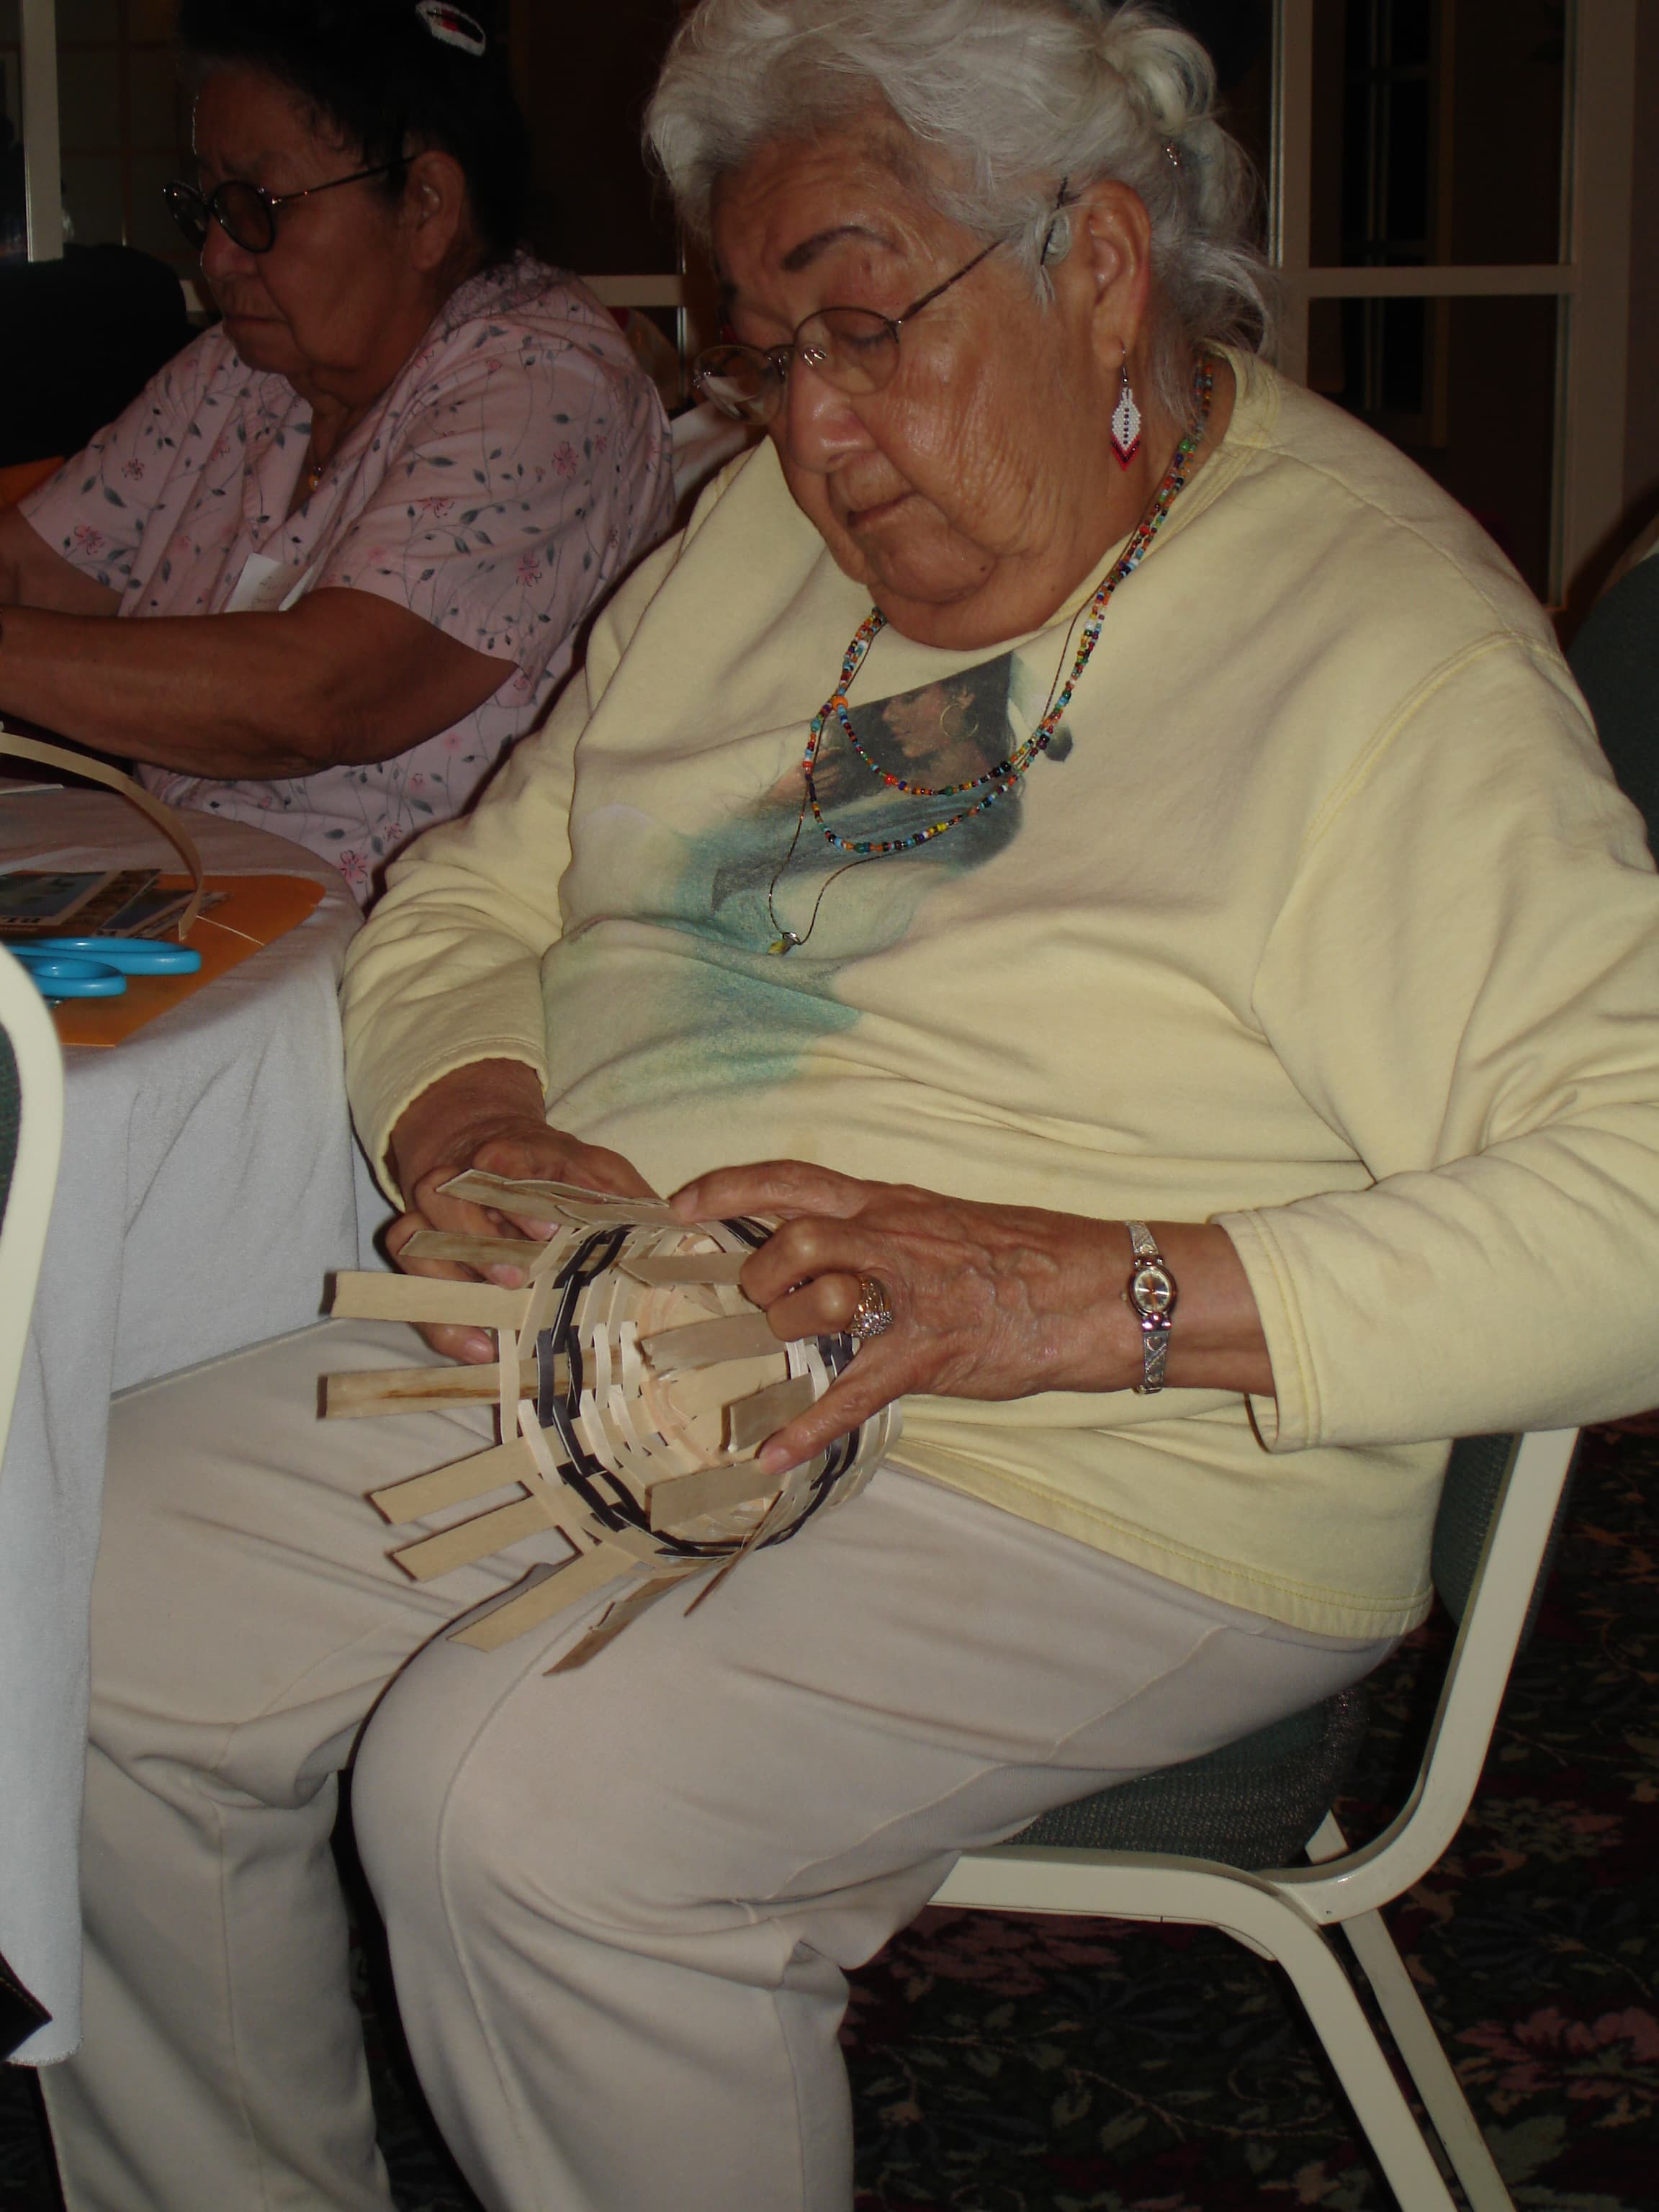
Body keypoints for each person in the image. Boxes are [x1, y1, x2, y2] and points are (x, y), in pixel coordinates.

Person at [41, 1, 1659, 2207]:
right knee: (61, 1603)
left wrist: (1065, 1295)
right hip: (619, 1338)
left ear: (1097, 262)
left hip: (1106, 1456)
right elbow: (465, 902)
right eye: (761, 351)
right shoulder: (756, 549)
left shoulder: (1379, 647)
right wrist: (483, 1124)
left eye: (866, 324)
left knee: (519, 1806)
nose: (814, 432)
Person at [0, 0, 672, 900]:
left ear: (427, 207)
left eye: (255, 208)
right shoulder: (240, 374)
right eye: (206, 203)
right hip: (190, 900)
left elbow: (324, 699)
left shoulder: (549, 383)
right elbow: (31, 573)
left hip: (413, 954)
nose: (216, 256)